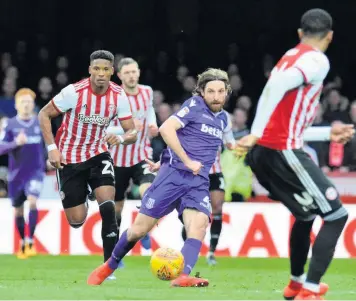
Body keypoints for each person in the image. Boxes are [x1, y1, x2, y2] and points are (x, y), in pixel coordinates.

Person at [235, 9, 355, 300]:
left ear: (300, 33)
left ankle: (296, 283)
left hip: (265, 153)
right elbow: (275, 88)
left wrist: (326, 133)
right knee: (337, 215)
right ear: (330, 36)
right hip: (281, 152)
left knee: (305, 215)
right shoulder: (316, 60)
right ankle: (311, 291)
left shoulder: (291, 55)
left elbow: (286, 117)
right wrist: (255, 130)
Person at [87, 68, 232, 287]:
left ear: (227, 92)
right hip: (173, 177)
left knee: (199, 226)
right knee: (140, 229)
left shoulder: (222, 119)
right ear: (201, 92)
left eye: (221, 91)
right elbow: (166, 128)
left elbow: (190, 140)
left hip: (198, 181)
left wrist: (165, 159)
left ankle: (183, 276)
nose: (216, 96)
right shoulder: (194, 106)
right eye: (211, 91)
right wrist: (185, 160)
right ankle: (109, 266)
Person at [38, 50, 137, 277]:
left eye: (106, 70)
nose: (101, 74)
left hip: (97, 153)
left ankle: (108, 268)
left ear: (112, 72)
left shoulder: (118, 95)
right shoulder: (74, 92)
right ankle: (86, 192)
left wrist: (120, 137)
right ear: (90, 70)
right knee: (76, 221)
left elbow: (132, 130)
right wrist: (52, 149)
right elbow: (44, 114)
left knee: (108, 205)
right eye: (97, 69)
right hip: (69, 158)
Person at [104, 57, 159, 256]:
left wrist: (152, 123)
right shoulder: (113, 97)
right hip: (117, 160)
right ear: (119, 75)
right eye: (127, 72)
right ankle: (117, 251)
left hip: (142, 156)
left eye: (134, 71)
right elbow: (104, 127)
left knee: (150, 193)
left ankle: (142, 229)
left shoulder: (147, 91)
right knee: (117, 208)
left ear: (139, 72)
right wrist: (125, 127)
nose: (131, 75)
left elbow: (149, 109)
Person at [182, 110, 235, 266]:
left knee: (217, 208)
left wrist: (238, 146)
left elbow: (229, 141)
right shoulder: (191, 112)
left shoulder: (224, 116)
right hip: (195, 172)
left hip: (215, 171)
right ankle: (190, 250)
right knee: (192, 214)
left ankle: (211, 252)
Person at [0, 88, 46, 259]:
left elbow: (48, 145)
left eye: (29, 102)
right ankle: (22, 243)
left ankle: (31, 240)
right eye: (23, 102)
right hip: (16, 175)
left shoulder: (39, 123)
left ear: (33, 104)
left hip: (35, 172)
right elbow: (1, 148)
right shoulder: (10, 124)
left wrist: (49, 160)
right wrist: (15, 143)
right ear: (16, 105)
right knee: (18, 211)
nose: (26, 105)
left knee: (33, 202)